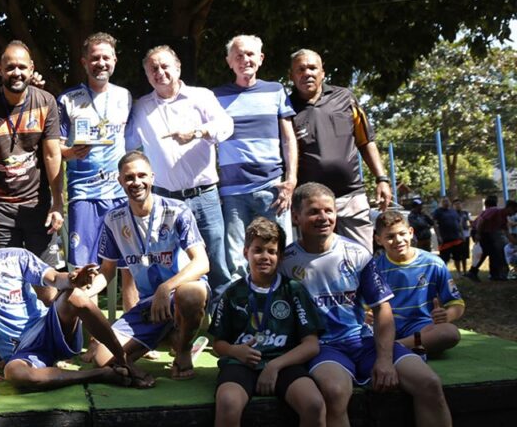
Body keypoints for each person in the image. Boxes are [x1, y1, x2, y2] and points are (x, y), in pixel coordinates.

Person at [282, 182, 471, 427]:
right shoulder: (286, 262)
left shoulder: (357, 253)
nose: (323, 217)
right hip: (323, 347)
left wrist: (384, 359)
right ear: (296, 216)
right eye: (314, 211)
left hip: (363, 341)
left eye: (329, 210)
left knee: (429, 383)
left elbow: (383, 310)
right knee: (336, 391)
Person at [0, 214, 152, 390]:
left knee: (75, 296)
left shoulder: (16, 256)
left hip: (49, 329)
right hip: (22, 353)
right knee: (15, 374)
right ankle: (100, 375)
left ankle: (123, 361)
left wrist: (73, 278)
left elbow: (54, 277)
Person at [209, 217, 325, 427]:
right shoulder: (232, 293)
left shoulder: (294, 290)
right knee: (227, 403)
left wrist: (275, 366)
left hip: (283, 363)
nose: (265, 257)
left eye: (272, 251)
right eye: (258, 250)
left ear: (281, 256)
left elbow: (311, 344)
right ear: (246, 252)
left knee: (314, 404)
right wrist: (236, 352)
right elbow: (217, 345)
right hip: (241, 365)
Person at [83, 151, 210, 379]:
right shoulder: (114, 219)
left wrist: (165, 288)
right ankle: (173, 336)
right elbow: (107, 272)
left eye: (142, 175)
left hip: (180, 293)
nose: (136, 182)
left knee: (190, 294)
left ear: (152, 177)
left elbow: (202, 262)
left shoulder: (177, 210)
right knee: (103, 360)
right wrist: (82, 293)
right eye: (129, 177)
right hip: (150, 305)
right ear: (120, 180)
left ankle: (182, 350)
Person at [126, 45, 233, 289]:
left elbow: (226, 126)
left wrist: (198, 132)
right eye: (153, 68)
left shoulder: (201, 96)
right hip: (164, 200)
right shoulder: (142, 107)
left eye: (165, 66)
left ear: (178, 67)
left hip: (204, 196)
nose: (159, 72)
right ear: (147, 75)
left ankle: (222, 324)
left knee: (216, 263)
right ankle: (173, 323)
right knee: (167, 265)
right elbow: (128, 146)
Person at [0, 40, 65, 262]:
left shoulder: (45, 101)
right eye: (10, 67)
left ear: (31, 69)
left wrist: (58, 203)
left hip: (37, 204)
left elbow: (52, 154)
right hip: (0, 206)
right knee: (5, 273)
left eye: (22, 67)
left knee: (45, 278)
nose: (16, 72)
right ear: (0, 70)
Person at [289, 49, 392, 253]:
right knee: (316, 266)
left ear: (322, 72)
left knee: (362, 261)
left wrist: (382, 179)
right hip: (310, 205)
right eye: (300, 69)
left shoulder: (345, 97)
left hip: (350, 196)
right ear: (292, 76)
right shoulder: (285, 108)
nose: (307, 73)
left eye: (312, 68)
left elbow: (366, 141)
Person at [212, 35, 298, 279]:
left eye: (250, 54)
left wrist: (291, 180)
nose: (244, 60)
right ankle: (241, 312)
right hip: (232, 192)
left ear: (260, 59)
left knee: (282, 255)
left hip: (273, 187)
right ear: (229, 62)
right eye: (238, 56)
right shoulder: (215, 97)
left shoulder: (276, 90)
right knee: (236, 260)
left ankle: (285, 310)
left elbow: (288, 138)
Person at [57, 32, 132, 269]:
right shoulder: (68, 99)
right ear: (84, 62)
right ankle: (84, 307)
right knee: (83, 268)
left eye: (106, 58)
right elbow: (54, 148)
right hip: (83, 192)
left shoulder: (125, 96)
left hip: (119, 191)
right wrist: (71, 152)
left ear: (114, 60)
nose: (101, 63)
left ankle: (133, 309)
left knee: (129, 268)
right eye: (95, 58)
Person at [374, 210, 464, 357]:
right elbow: (364, 308)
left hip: (421, 328)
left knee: (450, 333)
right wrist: (367, 315)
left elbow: (457, 303)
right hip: (385, 328)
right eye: (390, 237)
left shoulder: (434, 263)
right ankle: (405, 348)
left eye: (402, 234)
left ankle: (396, 347)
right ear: (379, 240)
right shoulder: (374, 268)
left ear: (411, 232)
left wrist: (446, 315)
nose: (398, 240)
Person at [467, 196, 516, 282]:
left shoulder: (504, 219)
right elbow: (481, 221)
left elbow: (507, 233)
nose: (514, 213)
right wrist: (478, 234)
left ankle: (492, 274)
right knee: (487, 251)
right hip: (478, 231)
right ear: (509, 208)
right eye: (514, 211)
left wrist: (515, 243)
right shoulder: (494, 211)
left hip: (487, 233)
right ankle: (474, 272)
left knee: (493, 252)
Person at [432, 197, 465, 272]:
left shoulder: (453, 211)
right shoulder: (438, 212)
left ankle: (459, 273)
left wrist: (462, 234)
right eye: (444, 201)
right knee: (444, 258)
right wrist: (439, 236)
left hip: (456, 238)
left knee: (457, 257)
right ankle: (443, 273)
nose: (446, 202)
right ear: (441, 203)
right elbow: (435, 224)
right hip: (445, 239)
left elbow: (459, 224)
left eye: (447, 201)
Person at [453, 199, 472, 274]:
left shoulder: (466, 213)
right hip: (456, 235)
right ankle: (458, 272)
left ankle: (465, 270)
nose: (458, 206)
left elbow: (470, 222)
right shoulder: (452, 214)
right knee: (457, 254)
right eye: (456, 204)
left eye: (459, 204)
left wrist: (470, 226)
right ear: (453, 206)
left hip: (465, 234)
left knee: (465, 254)